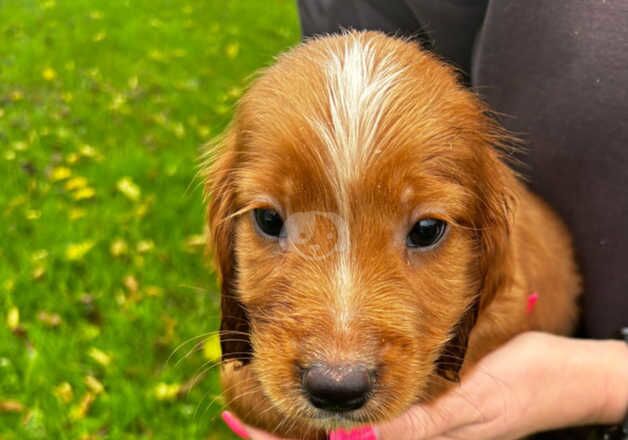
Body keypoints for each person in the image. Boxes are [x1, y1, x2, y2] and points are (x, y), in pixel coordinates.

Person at [222, 1, 628, 438]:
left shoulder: (498, 255)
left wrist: (606, 382)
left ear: (488, 241)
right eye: (270, 222)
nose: (339, 364)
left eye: (425, 231)